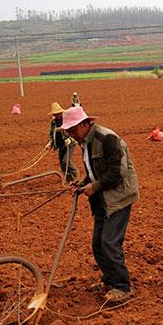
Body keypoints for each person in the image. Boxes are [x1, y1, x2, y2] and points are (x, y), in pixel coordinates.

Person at [61, 106, 138, 303]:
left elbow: (116, 172)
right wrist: (82, 184)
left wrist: (94, 187)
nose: (71, 134)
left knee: (109, 243)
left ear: (86, 124)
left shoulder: (106, 138)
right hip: (103, 198)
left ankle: (122, 287)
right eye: (68, 131)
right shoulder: (85, 142)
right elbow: (95, 171)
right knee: (97, 245)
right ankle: (111, 281)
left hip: (118, 197)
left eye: (73, 129)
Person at [47, 102, 79, 183]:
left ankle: (76, 175)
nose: (56, 115)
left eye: (57, 113)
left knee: (66, 161)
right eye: (55, 114)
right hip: (60, 144)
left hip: (70, 143)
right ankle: (69, 178)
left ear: (61, 112)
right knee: (62, 163)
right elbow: (52, 133)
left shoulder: (67, 119)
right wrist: (50, 143)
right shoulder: (53, 122)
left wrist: (70, 139)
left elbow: (72, 129)